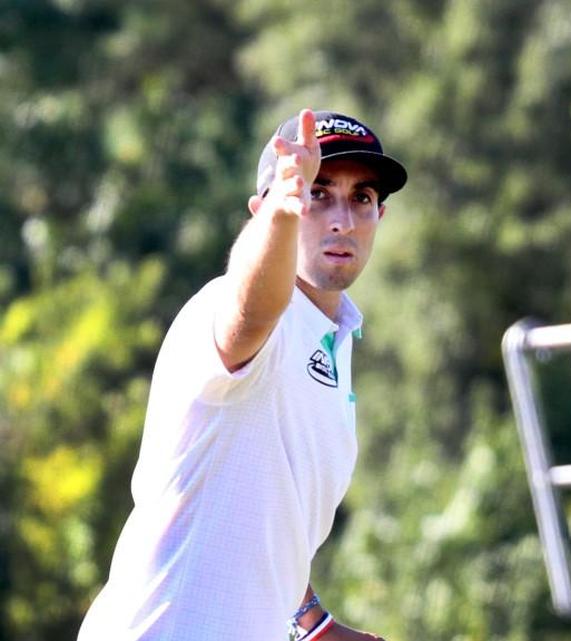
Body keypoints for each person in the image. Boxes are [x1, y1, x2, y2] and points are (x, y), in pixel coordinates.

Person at [78, 108, 405, 641]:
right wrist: (283, 212)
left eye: (361, 198)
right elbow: (251, 312)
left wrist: (313, 623)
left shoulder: (334, 338)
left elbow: (264, 516)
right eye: (317, 193)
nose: (342, 219)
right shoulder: (238, 308)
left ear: (379, 217)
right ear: (260, 211)